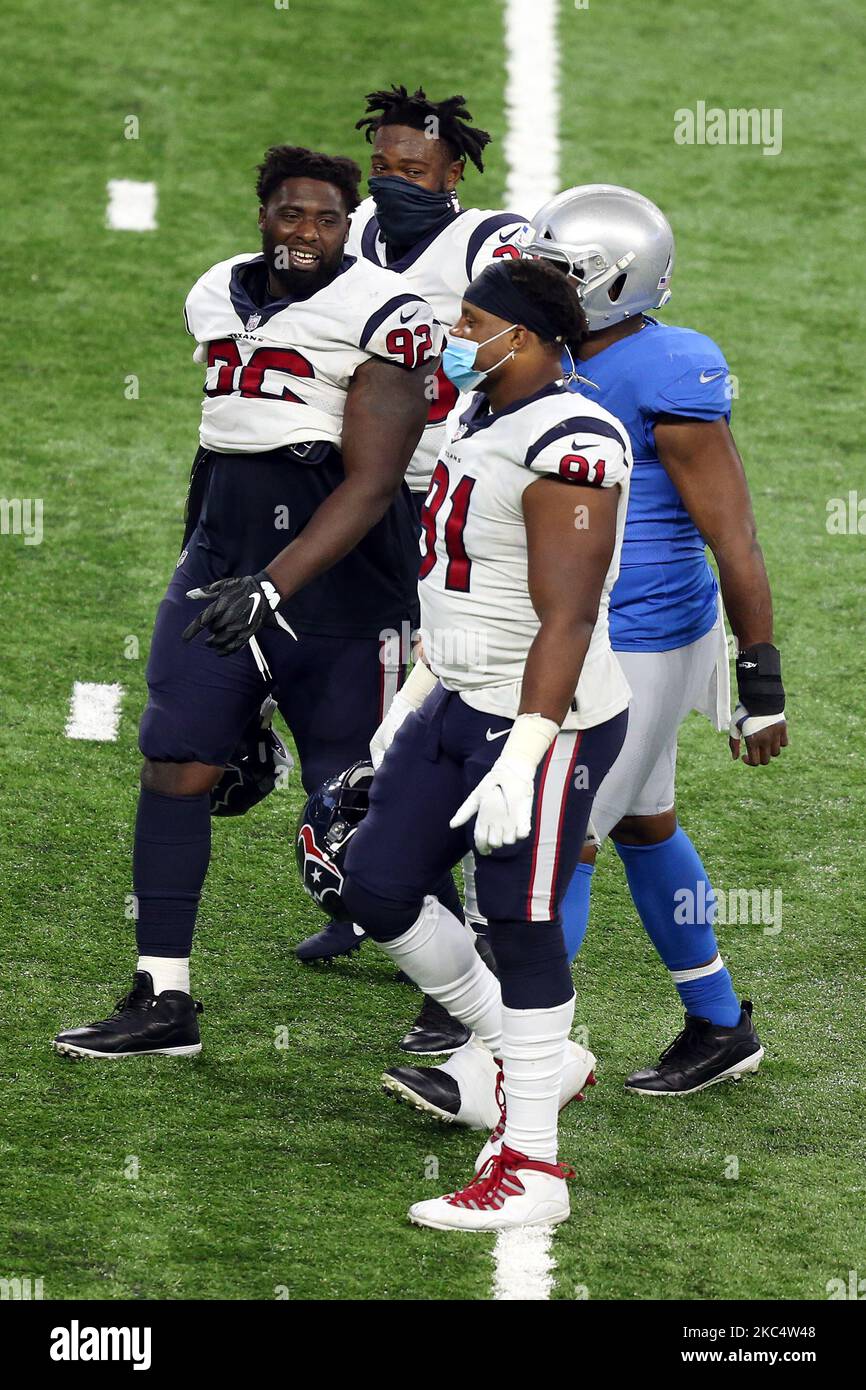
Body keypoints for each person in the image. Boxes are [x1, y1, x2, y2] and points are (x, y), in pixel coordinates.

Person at [391, 185, 786, 1119]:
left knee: (554, 846)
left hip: (634, 635)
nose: (539, 282)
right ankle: (721, 1022)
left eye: (563, 273)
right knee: (645, 823)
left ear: (620, 282)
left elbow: (733, 534)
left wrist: (758, 673)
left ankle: (509, 1068)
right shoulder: (524, 358)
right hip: (560, 628)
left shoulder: (669, 368)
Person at [52, 145, 441, 1059]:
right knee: (176, 758)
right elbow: (217, 442)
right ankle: (163, 996)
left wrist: (276, 584)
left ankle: (448, 993)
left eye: (326, 219)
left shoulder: (386, 312)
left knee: (360, 801)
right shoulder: (216, 290)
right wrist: (208, 556)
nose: (306, 232)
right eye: (290, 214)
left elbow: (375, 481)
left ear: (349, 227)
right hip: (223, 560)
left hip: (339, 580)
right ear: (261, 212)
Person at [339, 257, 632, 1231]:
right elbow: (463, 596)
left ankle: (530, 1169)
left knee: (519, 915)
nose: (453, 336)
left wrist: (523, 753)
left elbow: (566, 616)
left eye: (469, 320)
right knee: (374, 879)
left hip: (547, 715)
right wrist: (402, 715)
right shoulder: (481, 415)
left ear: (528, 337)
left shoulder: (575, 439)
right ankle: (531, 1057)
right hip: (461, 695)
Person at [295, 84, 533, 993]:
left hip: (454, 494)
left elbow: (528, 346)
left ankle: (457, 918)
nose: (395, 183)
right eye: (384, 167)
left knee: (446, 694)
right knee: (363, 687)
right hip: (362, 489)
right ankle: (379, 894)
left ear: (454, 170)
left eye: (415, 169)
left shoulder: (489, 243)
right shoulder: (347, 232)